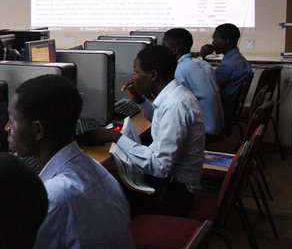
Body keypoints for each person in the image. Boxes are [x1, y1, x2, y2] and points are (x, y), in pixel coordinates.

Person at [8, 75, 141, 249]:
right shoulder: (96, 170)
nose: (6, 128)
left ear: (37, 130)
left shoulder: (56, 198)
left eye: (12, 120)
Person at [84, 45, 206, 217]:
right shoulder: (176, 95)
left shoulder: (175, 107)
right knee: (110, 174)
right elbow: (159, 121)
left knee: (101, 190)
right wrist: (140, 100)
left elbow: (160, 166)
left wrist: (114, 136)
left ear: (153, 75)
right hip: (171, 183)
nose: (133, 77)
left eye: (136, 72)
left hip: (173, 195)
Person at [161, 28, 224, 137]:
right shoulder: (202, 63)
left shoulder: (179, 71)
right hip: (217, 125)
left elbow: (171, 107)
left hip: (205, 133)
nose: (161, 50)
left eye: (164, 46)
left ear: (175, 49)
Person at [199, 23, 253, 120]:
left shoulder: (230, 64)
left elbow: (207, 84)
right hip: (230, 105)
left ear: (226, 41)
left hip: (223, 109)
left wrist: (202, 56)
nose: (213, 43)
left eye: (215, 39)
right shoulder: (236, 59)